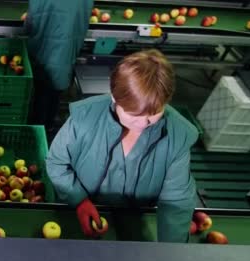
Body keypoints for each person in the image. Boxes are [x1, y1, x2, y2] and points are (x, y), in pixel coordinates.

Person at [46, 49, 198, 243]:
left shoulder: (178, 135)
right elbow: (57, 163)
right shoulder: (84, 119)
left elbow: (176, 201)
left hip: (137, 216)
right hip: (79, 208)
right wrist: (79, 200)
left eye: (154, 114)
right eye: (134, 115)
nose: (144, 123)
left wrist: (172, 251)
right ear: (114, 98)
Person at [25, 0, 93, 131]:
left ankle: (37, 129)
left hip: (42, 54)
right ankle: (49, 125)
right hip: (66, 53)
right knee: (54, 93)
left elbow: (29, 27)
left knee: (41, 93)